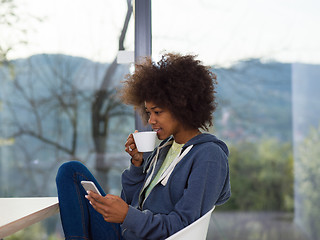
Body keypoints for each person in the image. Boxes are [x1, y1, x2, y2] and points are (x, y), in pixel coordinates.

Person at [56, 52, 231, 240]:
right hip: (126, 234)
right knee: (71, 172)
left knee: (72, 171)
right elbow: (131, 203)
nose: (151, 120)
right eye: (148, 112)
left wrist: (127, 216)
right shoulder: (165, 149)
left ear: (182, 108)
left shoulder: (209, 156)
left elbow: (183, 227)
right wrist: (137, 165)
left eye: (157, 112)